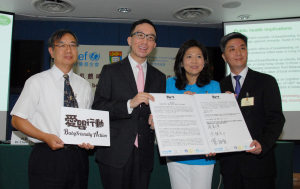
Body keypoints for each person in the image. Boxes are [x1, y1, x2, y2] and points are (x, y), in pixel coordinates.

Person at [11, 29, 94, 189]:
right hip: (47, 156)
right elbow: (17, 119)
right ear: (51, 51)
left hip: (79, 158)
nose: (68, 50)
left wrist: (89, 139)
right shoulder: (36, 82)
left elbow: (86, 121)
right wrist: (45, 136)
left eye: (73, 45)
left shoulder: (84, 85)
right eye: (62, 45)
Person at [92, 19, 166, 189]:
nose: (144, 41)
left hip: (144, 155)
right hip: (114, 154)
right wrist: (129, 104)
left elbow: (159, 112)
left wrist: (157, 122)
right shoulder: (110, 71)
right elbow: (98, 108)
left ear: (154, 44)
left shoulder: (160, 77)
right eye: (140, 35)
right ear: (129, 40)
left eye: (150, 37)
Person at [219, 32, 285, 189]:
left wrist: (263, 143)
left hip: (259, 165)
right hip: (230, 166)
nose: (238, 52)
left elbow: (276, 119)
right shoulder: (219, 87)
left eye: (242, 48)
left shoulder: (266, 81)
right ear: (224, 56)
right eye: (232, 49)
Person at [165, 39, 220, 189]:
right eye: (189, 56)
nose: (194, 61)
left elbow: (215, 121)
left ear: (205, 61)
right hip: (176, 153)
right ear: (181, 62)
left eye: (199, 56)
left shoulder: (214, 86)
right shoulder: (170, 83)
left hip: (204, 155)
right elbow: (167, 116)